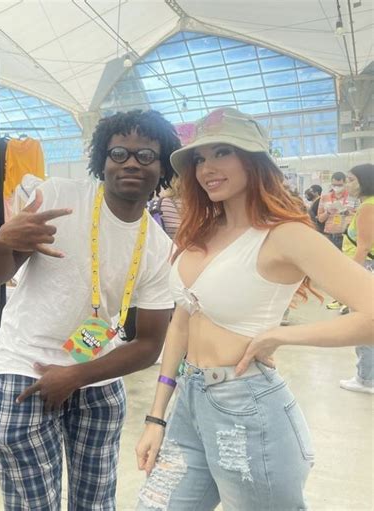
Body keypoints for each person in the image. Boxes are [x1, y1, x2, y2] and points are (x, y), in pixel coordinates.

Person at [135, 107, 373, 511]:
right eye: (199, 158)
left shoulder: (286, 236)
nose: (207, 167)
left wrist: (280, 335)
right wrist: (156, 416)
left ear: (255, 159)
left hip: (247, 409)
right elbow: (180, 324)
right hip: (187, 404)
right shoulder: (202, 230)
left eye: (222, 151)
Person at [0, 109, 181, 511]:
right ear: (102, 160)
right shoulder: (58, 198)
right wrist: (2, 241)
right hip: (25, 371)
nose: (130, 162)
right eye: (119, 152)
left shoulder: (158, 246)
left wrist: (75, 375)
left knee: (96, 503)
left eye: (145, 156)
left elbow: (149, 344)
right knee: (31, 505)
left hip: (96, 378)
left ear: (161, 169)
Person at [339, 163, 374, 394]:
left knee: (363, 325)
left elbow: (363, 247)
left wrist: (349, 280)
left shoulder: (367, 208)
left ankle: (366, 378)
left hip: (365, 271)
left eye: (352, 180)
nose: (348, 185)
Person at [317, 171, 355, 250]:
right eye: (334, 185)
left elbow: (358, 216)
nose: (336, 187)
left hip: (346, 235)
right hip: (329, 235)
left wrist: (347, 212)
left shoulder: (353, 197)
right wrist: (328, 212)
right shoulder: (324, 197)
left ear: (345, 183)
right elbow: (320, 219)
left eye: (339, 185)